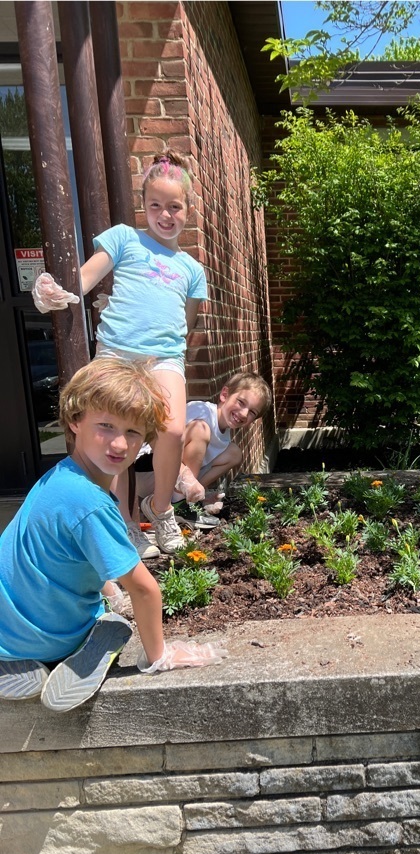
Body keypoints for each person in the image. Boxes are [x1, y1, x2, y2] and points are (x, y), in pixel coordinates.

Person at [0, 358, 226, 713]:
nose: (120, 443)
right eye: (105, 425)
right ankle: (60, 649)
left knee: (102, 593)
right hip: (53, 636)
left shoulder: (57, 478)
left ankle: (20, 655)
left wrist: (109, 589)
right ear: (75, 421)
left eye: (133, 432)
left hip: (6, 629)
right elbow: (144, 588)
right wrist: (160, 655)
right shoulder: (91, 503)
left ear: (146, 440)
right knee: (115, 621)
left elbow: (71, 556)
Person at [33, 150, 208, 557]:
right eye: (155, 206)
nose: (165, 215)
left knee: (171, 430)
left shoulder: (191, 268)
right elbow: (83, 278)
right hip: (116, 354)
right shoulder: (124, 238)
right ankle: (126, 524)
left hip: (163, 357)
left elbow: (189, 322)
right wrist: (56, 293)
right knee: (119, 440)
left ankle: (160, 509)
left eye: (175, 207)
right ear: (144, 205)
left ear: (188, 208)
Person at [134, 371, 272, 528]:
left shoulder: (224, 436)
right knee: (201, 430)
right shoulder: (202, 411)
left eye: (252, 412)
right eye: (241, 402)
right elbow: (162, 442)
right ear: (224, 395)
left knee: (234, 454)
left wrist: (201, 493)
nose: (244, 413)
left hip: (170, 478)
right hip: (147, 468)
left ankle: (188, 499)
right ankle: (179, 505)